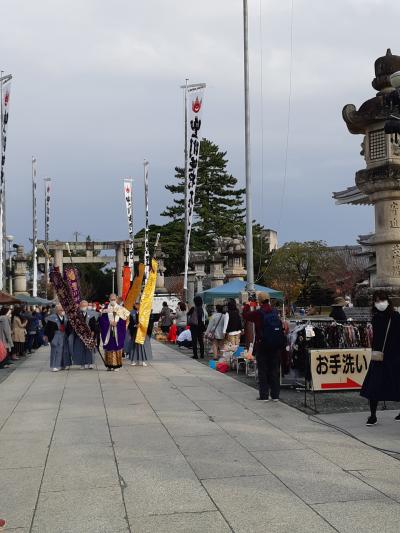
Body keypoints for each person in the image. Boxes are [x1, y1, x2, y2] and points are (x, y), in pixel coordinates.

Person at [361, 291, 400, 426]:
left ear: (387, 301)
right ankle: (373, 415)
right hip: (379, 356)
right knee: (374, 386)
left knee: (397, 384)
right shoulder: (375, 317)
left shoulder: (395, 316)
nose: (379, 303)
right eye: (376, 300)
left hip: (394, 356)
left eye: (381, 300)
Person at [243, 292, 286, 402]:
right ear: (268, 300)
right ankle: (275, 395)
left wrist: (248, 304)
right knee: (274, 370)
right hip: (276, 345)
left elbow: (245, 315)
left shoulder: (258, 313)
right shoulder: (275, 311)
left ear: (259, 301)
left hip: (262, 344)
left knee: (263, 370)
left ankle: (264, 395)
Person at [99, 294, 129, 371]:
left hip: (118, 331)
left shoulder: (121, 309)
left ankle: (117, 365)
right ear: (109, 299)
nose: (112, 300)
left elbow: (124, 320)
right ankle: (109, 365)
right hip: (108, 331)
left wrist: (117, 324)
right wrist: (109, 323)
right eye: (111, 299)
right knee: (109, 347)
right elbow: (102, 321)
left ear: (116, 299)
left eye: (114, 299)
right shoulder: (105, 309)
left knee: (116, 346)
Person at [68, 300, 98, 369]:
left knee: (89, 349)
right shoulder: (76, 315)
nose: (83, 307)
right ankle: (82, 364)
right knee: (80, 349)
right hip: (79, 335)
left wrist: (93, 331)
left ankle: (90, 363)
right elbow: (72, 324)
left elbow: (94, 325)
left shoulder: (91, 315)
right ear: (79, 306)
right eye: (82, 306)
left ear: (87, 306)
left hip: (89, 335)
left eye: (85, 306)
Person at [43, 304, 72, 372]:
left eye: (63, 310)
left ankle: (63, 365)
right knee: (55, 351)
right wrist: (47, 336)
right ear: (57, 311)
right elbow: (47, 328)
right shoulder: (52, 318)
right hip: (56, 335)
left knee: (64, 350)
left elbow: (69, 327)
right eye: (60, 310)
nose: (62, 311)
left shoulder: (66, 317)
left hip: (64, 335)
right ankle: (54, 366)